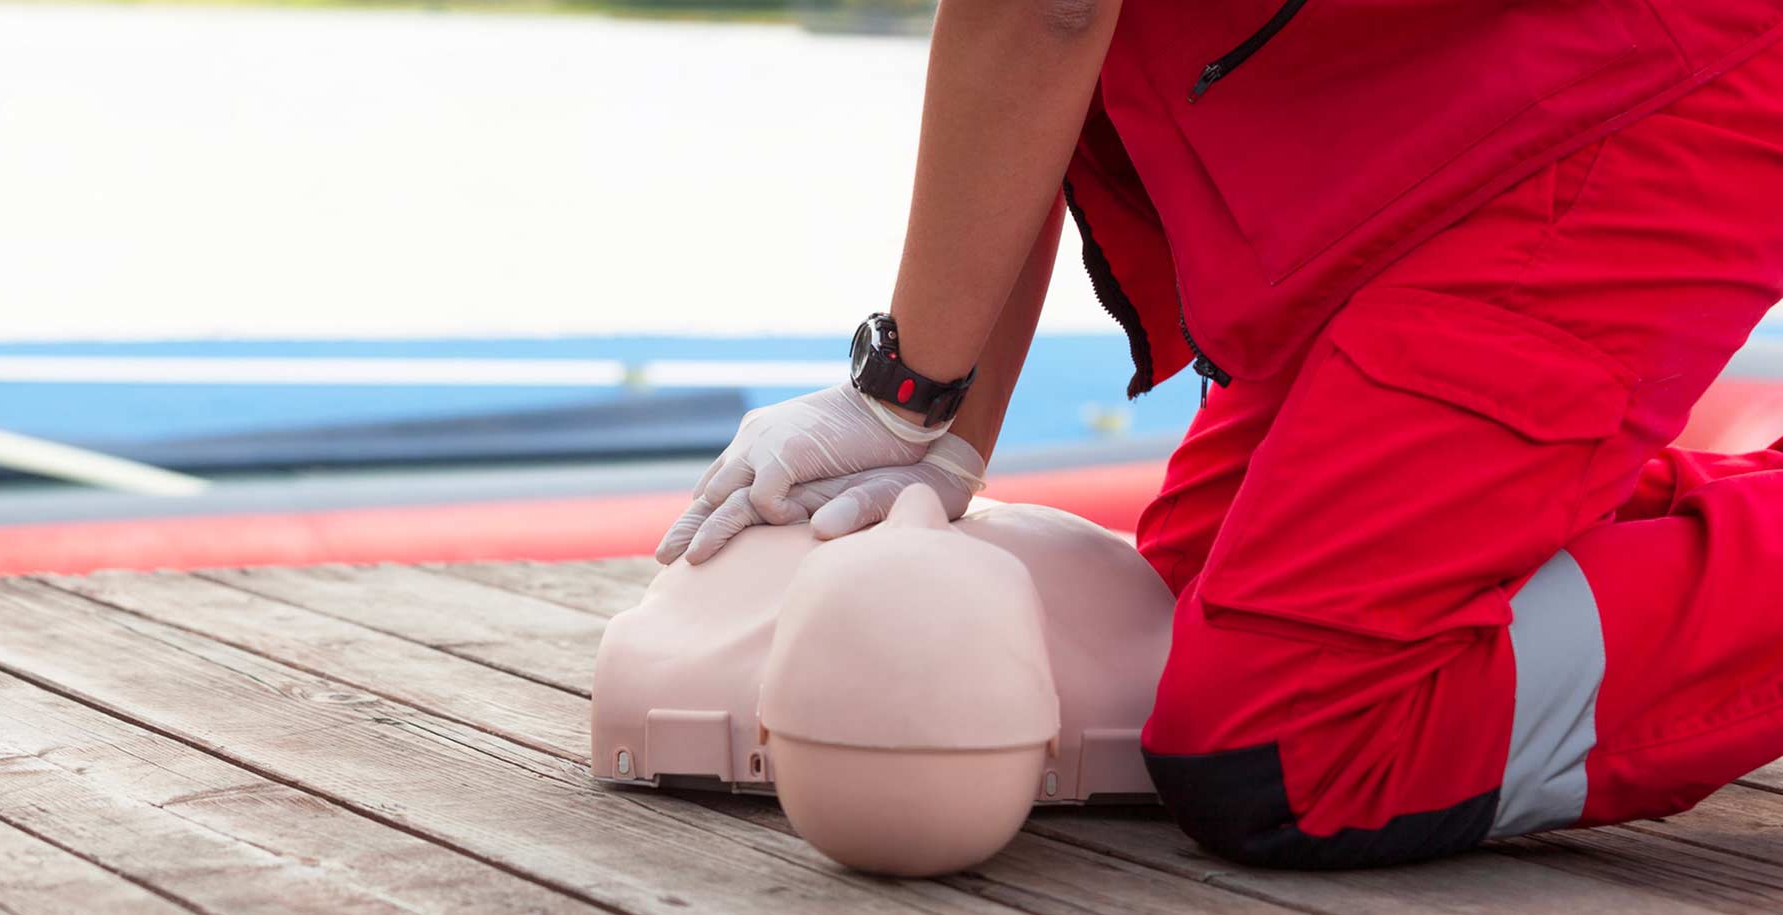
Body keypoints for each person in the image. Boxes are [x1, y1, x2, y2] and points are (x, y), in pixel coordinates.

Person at [657, 0, 1783, 869]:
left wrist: (902, 395)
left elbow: (1042, 13)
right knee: (1175, 621)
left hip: (1631, 90)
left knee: (1285, 740)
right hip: (1442, 119)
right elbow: (1043, 48)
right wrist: (943, 439)